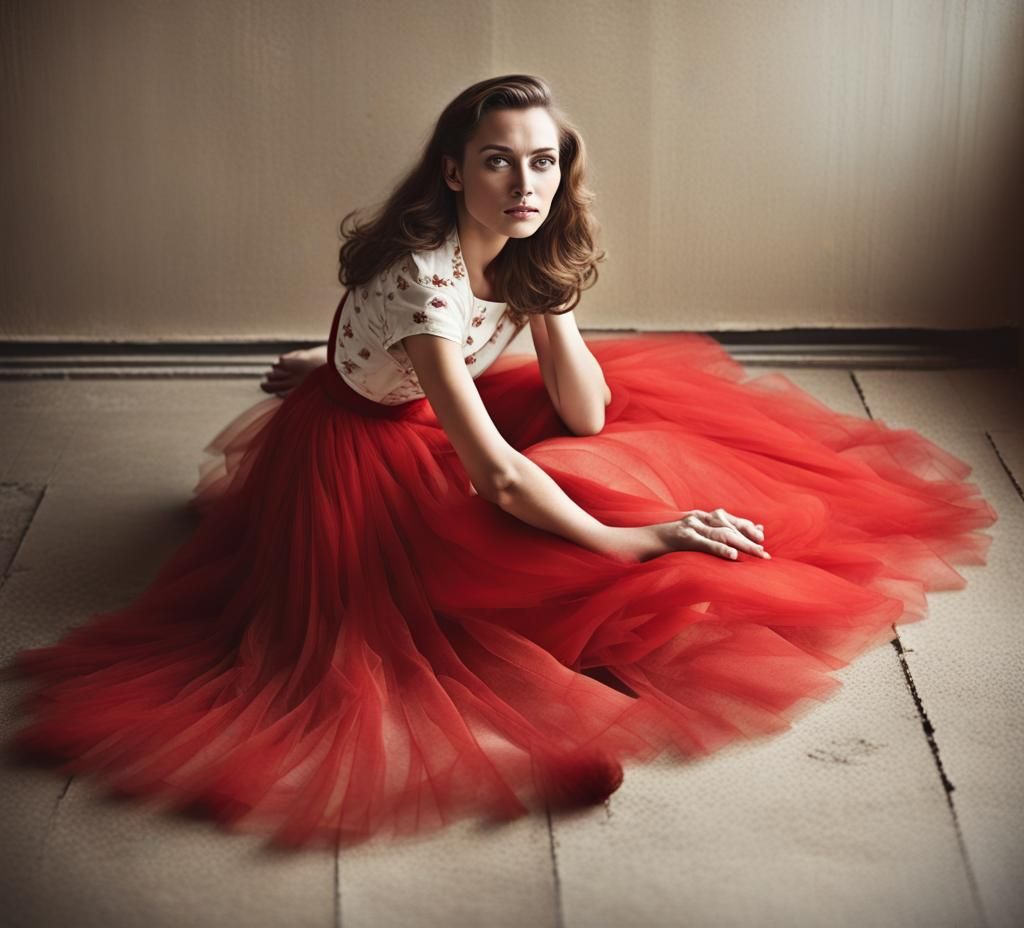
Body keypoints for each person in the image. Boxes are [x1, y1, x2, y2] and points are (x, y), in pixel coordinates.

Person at [4, 74, 998, 851]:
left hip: (438, 405)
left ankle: (569, 561)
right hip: (367, 458)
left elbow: (584, 406)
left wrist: (552, 296)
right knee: (580, 515)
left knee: (637, 438)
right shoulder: (426, 277)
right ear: (451, 171)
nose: (524, 186)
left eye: (543, 164)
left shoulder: (524, 238)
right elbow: (498, 476)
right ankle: (578, 610)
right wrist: (628, 540)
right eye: (496, 163)